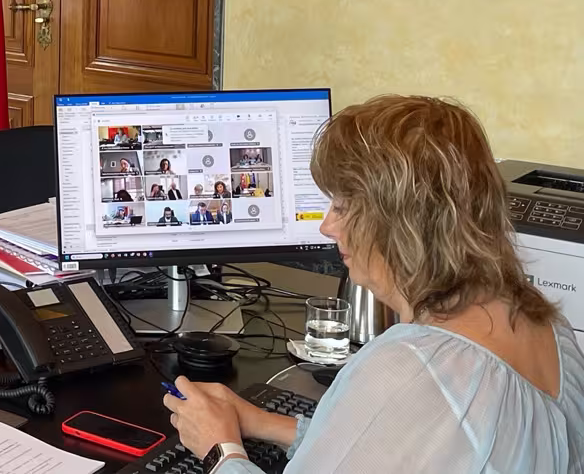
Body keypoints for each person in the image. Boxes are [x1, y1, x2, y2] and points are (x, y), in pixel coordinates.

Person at [161, 95, 584, 474]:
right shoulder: (547, 327)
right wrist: (265, 423)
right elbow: (412, 448)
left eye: (343, 207)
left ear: (398, 225)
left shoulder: (412, 368)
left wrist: (219, 448)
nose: (327, 226)